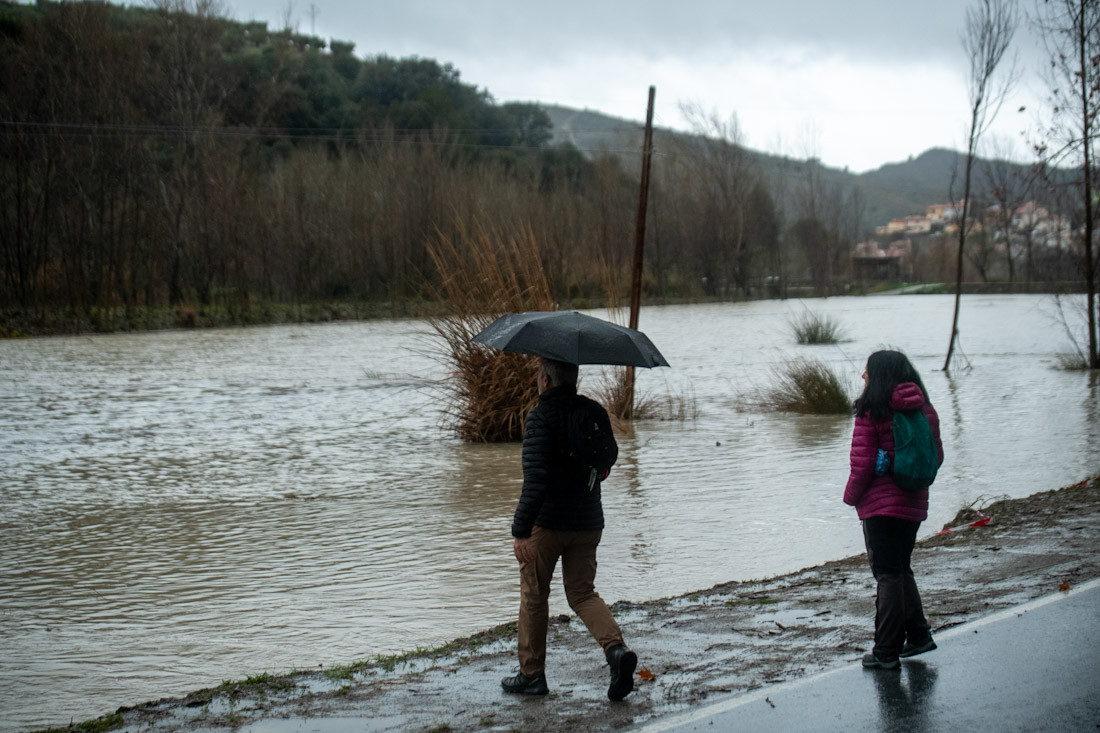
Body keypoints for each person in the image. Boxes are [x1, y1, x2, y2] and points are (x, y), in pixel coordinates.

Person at [501, 357, 638, 701]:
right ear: (573, 379)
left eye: (538, 375)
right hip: (588, 522)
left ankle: (532, 676)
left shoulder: (540, 417)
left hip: (547, 525)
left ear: (546, 380)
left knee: (535, 596)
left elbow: (536, 480)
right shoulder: (593, 411)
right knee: (582, 593)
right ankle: (616, 652)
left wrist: (520, 530)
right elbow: (608, 460)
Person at [843, 350, 944, 670]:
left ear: (880, 375)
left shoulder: (871, 411)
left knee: (887, 575)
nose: (864, 377)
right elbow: (936, 457)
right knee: (901, 569)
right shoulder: (925, 408)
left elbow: (861, 466)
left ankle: (885, 651)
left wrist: (850, 498)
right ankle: (918, 636)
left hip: (880, 506)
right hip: (914, 501)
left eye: (867, 372)